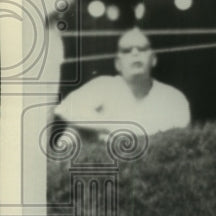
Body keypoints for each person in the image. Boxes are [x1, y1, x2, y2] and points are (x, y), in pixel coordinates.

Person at [54, 27, 190, 138]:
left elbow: (180, 132)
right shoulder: (104, 85)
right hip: (106, 162)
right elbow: (64, 109)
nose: (135, 53)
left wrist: (116, 132)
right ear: (118, 64)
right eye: (127, 50)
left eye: (142, 49)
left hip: (153, 163)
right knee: (71, 133)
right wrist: (107, 126)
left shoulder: (173, 97)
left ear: (153, 59)